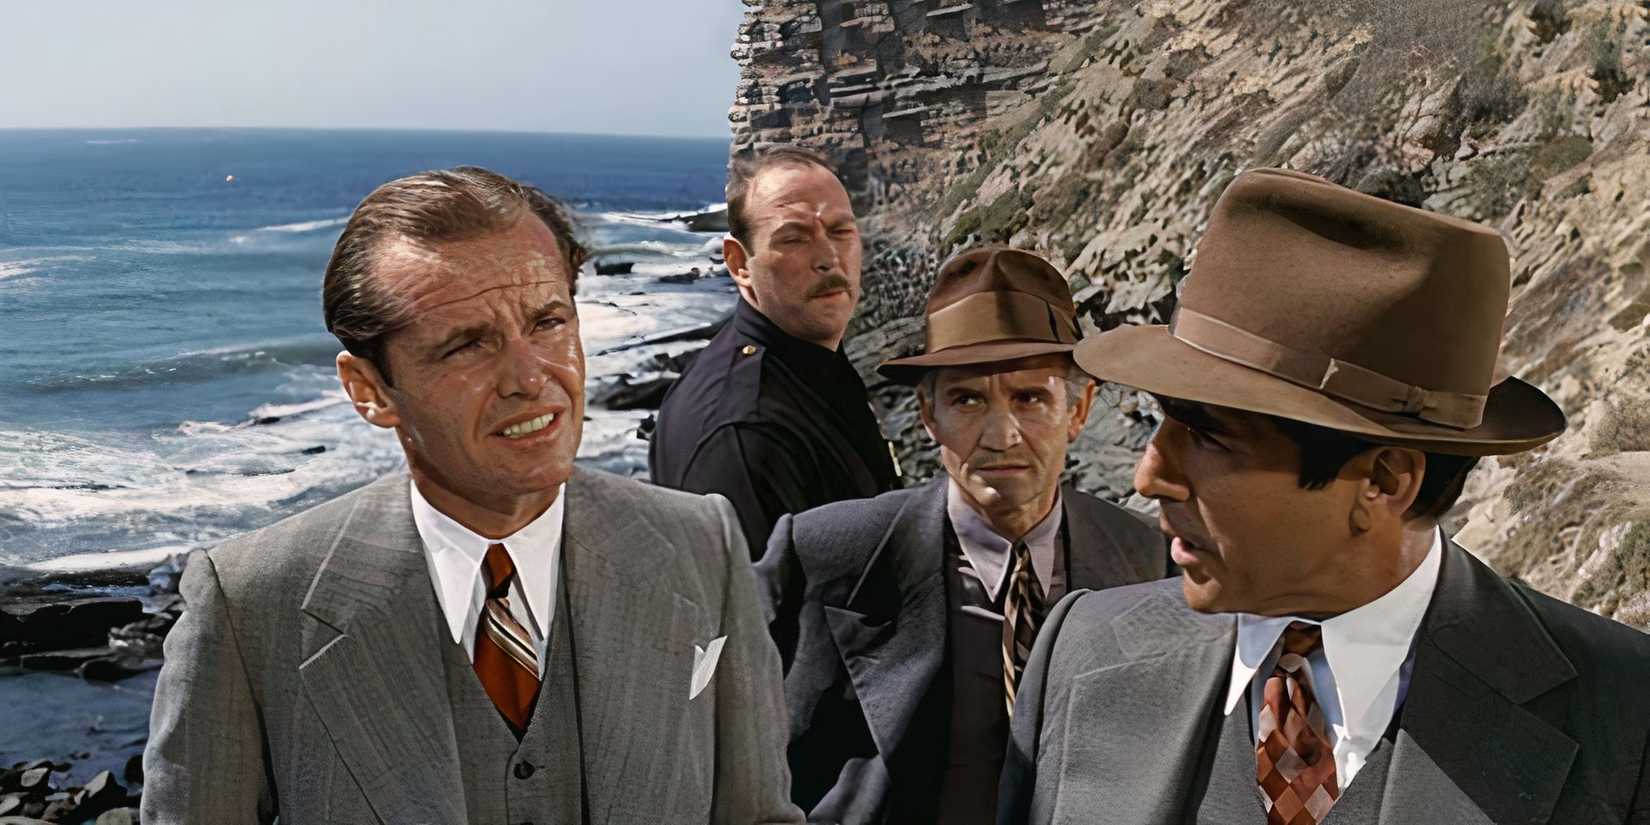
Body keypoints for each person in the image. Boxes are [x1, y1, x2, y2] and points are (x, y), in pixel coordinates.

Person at [142, 167, 802, 825]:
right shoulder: (251, 605)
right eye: (467, 345)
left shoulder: (701, 545)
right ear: (369, 390)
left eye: (547, 322)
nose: (529, 376)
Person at [998, 168, 1650, 825]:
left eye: (1208, 436)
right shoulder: (1078, 652)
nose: (1149, 475)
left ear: (1385, 480)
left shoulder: (1625, 715)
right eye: (1160, 418)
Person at [757, 247, 1170, 825]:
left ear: (1078, 411)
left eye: (1031, 398)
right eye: (968, 399)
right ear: (928, 416)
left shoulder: (1149, 560)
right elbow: (722, 745)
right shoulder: (825, 554)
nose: (1001, 435)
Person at [650, 147, 900, 556]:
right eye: (795, 238)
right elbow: (755, 616)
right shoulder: (745, 435)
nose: (829, 258)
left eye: (841, 231)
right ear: (738, 263)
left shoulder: (811, 366)